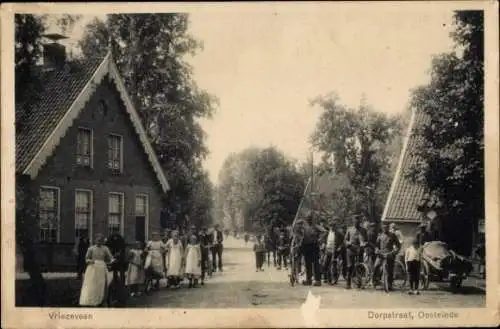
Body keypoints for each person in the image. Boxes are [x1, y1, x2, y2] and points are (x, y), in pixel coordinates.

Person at [79, 233, 115, 307]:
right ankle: (91, 300)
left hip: (102, 268)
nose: (99, 242)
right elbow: (86, 259)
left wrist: (112, 260)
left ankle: (100, 300)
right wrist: (90, 261)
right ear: (95, 240)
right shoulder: (91, 248)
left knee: (101, 284)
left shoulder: (105, 248)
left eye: (101, 240)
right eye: (98, 240)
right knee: (92, 284)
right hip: (93, 268)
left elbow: (110, 257)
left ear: (103, 241)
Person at [301, 212, 327, 286]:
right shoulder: (304, 226)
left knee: (316, 263)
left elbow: (325, 231)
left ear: (312, 219)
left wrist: (320, 239)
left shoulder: (315, 226)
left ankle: (318, 280)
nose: (308, 219)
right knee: (307, 264)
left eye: (310, 218)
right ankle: (308, 280)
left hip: (314, 246)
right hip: (306, 246)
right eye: (307, 218)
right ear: (306, 219)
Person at [374, 222, 401, 291]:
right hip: (381, 254)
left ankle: (390, 285)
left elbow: (398, 246)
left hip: (389, 254)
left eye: (386, 227)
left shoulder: (392, 235)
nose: (384, 229)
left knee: (390, 270)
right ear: (382, 228)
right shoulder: (380, 236)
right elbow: (376, 246)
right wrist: (377, 250)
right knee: (376, 266)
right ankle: (375, 281)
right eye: (383, 227)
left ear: (388, 228)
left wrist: (393, 253)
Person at [344, 215, 367, 289]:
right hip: (350, 250)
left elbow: (366, 240)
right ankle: (348, 283)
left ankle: (359, 283)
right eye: (355, 221)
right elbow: (345, 240)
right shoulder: (349, 229)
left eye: (358, 221)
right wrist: (348, 243)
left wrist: (364, 244)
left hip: (359, 250)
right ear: (353, 221)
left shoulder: (363, 230)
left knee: (359, 266)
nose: (356, 222)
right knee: (350, 266)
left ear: (359, 221)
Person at [322, 221, 344, 285]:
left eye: (333, 226)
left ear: (335, 226)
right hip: (328, 250)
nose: (332, 227)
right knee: (325, 264)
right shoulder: (328, 232)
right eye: (331, 226)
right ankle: (328, 279)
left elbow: (344, 241)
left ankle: (334, 279)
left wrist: (340, 247)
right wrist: (323, 244)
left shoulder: (339, 233)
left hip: (335, 251)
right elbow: (324, 239)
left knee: (333, 265)